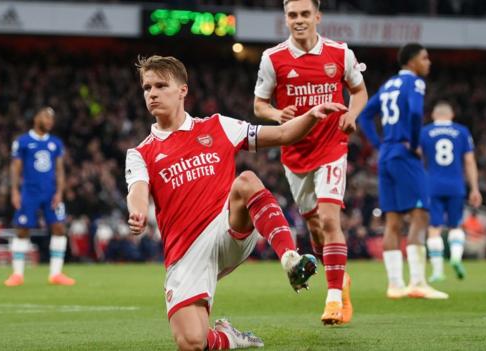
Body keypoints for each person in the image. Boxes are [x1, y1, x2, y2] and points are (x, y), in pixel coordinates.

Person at [127, 55, 345, 350]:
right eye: (147, 87)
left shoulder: (219, 126)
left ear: (182, 90)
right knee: (191, 342)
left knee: (245, 181)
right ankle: (229, 337)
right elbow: (138, 189)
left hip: (226, 228)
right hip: (185, 254)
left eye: (161, 85)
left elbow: (281, 133)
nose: (152, 93)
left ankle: (289, 258)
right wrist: (137, 211)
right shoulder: (141, 152)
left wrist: (311, 115)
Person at [253, 0, 368, 325]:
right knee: (316, 229)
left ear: (317, 16)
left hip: (332, 146)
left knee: (330, 220)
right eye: (293, 15)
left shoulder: (340, 53)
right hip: (295, 153)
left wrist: (352, 114)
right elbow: (260, 105)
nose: (299, 20)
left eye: (305, 14)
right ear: (286, 19)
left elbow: (359, 93)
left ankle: (333, 300)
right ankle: (340, 278)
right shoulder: (272, 58)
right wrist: (277, 114)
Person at [359, 43, 448, 299]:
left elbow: (365, 115)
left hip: (387, 154)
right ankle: (418, 282)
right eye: (424, 57)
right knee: (420, 214)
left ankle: (395, 285)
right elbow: (415, 110)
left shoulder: (388, 85)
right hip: (404, 154)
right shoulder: (415, 83)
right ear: (411, 62)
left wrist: (378, 144)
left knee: (393, 221)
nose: (428, 62)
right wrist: (415, 141)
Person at [4, 107, 75, 287]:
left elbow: (60, 170)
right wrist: (14, 191)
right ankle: (17, 274)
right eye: (46, 117)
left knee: (59, 228)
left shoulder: (55, 143)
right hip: (29, 192)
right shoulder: (23, 141)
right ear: (36, 118)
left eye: (52, 118)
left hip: (51, 192)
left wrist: (60, 191)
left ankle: (56, 273)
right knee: (22, 229)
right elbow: (16, 168)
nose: (50, 121)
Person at [419, 101, 482, 281]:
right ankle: (455, 258)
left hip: (432, 186)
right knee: (456, 225)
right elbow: (469, 161)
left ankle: (438, 271)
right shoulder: (462, 131)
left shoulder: (425, 132)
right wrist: (475, 188)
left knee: (434, 228)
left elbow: (418, 158)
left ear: (433, 115)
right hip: (456, 185)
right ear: (452, 115)